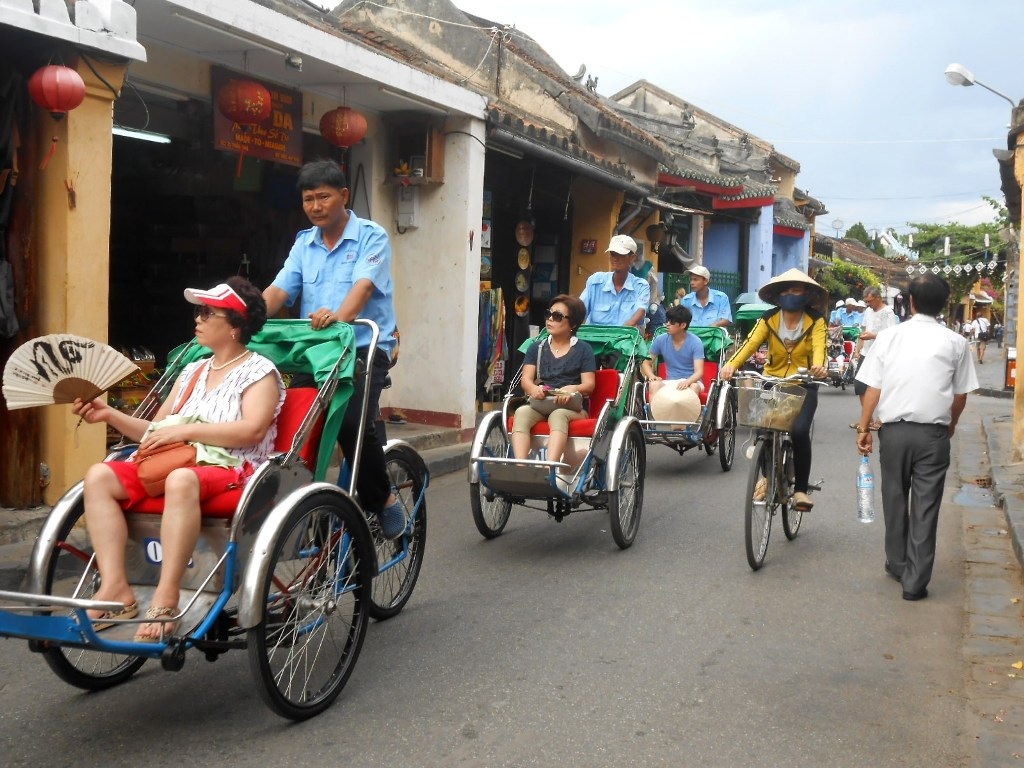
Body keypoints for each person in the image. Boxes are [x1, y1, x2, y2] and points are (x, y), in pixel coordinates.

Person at [73, 277, 285, 641]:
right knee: (99, 476)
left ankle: (166, 596)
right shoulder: (193, 371)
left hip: (232, 469)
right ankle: (115, 588)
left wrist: (186, 433)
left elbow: (251, 430)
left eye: (207, 313)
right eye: (198, 312)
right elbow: (157, 429)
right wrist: (108, 414)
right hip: (179, 463)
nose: (198, 320)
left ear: (235, 325)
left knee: (180, 479)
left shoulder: (259, 372)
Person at [262, 159, 405, 539]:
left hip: (362, 347)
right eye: (308, 199)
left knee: (350, 421)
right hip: (317, 351)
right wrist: (244, 317)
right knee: (290, 417)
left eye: (323, 197)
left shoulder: (372, 236)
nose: (315, 206)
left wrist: (339, 318)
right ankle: (302, 498)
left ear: (343, 196)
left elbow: (362, 289)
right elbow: (279, 290)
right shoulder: (303, 242)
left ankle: (384, 498)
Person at [854, 273, 978, 601]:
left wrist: (864, 428)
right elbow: (961, 394)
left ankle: (897, 563)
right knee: (926, 506)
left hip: (893, 433)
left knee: (894, 497)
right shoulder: (956, 342)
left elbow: (872, 389)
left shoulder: (889, 337)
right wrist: (950, 426)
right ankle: (915, 583)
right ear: (944, 304)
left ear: (909, 302)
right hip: (933, 436)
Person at [721, 268, 827, 511]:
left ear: (806, 294)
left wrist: (818, 366)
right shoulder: (768, 319)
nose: (790, 294)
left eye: (796, 289)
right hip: (773, 381)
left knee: (799, 431)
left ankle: (800, 490)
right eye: (786, 290)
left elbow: (819, 348)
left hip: (803, 384)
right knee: (762, 429)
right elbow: (750, 344)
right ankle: (767, 476)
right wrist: (731, 364)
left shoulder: (816, 321)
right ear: (779, 295)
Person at [512, 295, 596, 465]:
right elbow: (526, 380)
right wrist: (533, 389)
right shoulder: (536, 347)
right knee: (521, 412)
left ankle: (550, 467)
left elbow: (589, 385)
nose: (550, 319)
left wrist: (572, 389)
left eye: (557, 317)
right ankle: (520, 467)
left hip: (572, 408)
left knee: (558, 415)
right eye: (548, 314)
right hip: (542, 403)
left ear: (572, 324)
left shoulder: (584, 350)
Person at [579, 234, 650, 327]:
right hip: (594, 338)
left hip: (624, 338)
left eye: (621, 255)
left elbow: (640, 311)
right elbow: (580, 310)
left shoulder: (641, 286)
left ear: (632, 258)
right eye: (613, 254)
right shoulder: (595, 281)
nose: (615, 258)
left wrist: (620, 333)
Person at [640, 304, 705, 398]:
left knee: (694, 387)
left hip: (692, 381)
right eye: (667, 321)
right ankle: (653, 413)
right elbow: (646, 362)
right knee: (654, 385)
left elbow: (699, 372)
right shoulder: (660, 340)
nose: (667, 324)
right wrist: (652, 376)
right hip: (670, 382)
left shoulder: (696, 342)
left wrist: (687, 382)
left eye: (672, 322)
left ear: (683, 325)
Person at [853, 285, 898, 418]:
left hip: (881, 354)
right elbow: (864, 331)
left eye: (870, 301)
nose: (868, 304)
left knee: (882, 388)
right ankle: (868, 419)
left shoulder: (888, 312)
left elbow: (892, 335)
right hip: (866, 353)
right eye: (866, 301)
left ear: (878, 298)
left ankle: (882, 418)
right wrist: (858, 349)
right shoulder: (868, 311)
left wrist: (873, 336)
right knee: (859, 385)